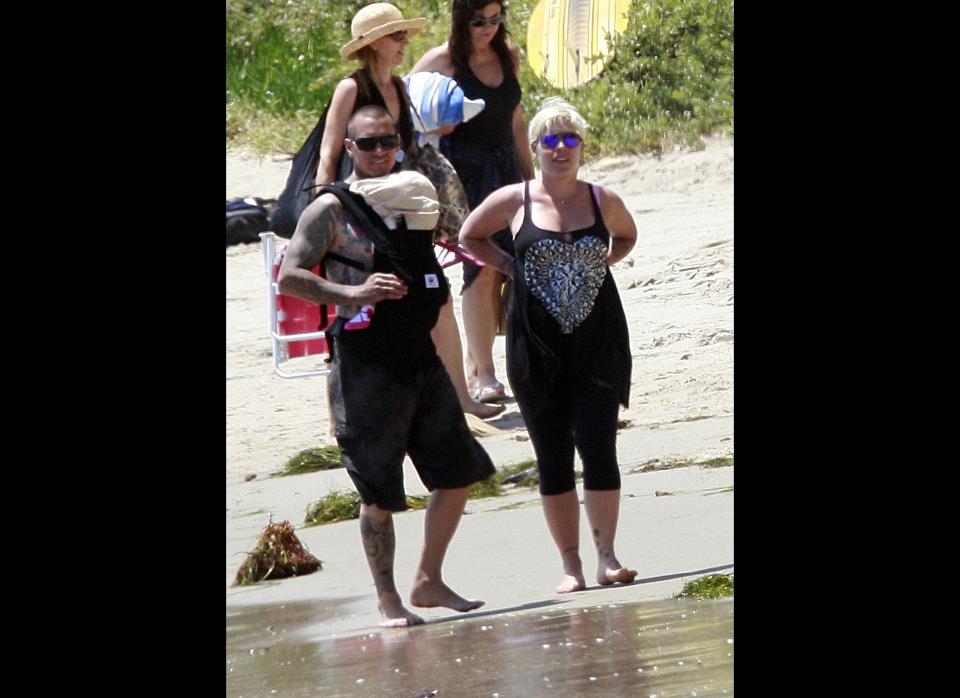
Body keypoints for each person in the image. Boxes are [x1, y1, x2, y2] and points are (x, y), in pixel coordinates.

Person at [279, 105, 495, 626]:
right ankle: (388, 599)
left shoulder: (415, 198)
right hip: (364, 367)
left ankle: (428, 580)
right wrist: (354, 290)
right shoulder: (330, 210)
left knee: (460, 473)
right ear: (349, 148)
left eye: (387, 142)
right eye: (367, 144)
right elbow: (289, 276)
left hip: (420, 360)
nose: (379, 152)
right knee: (379, 494)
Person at [279, 2, 503, 419]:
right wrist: (328, 216)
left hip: (398, 217)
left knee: (436, 298)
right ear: (374, 44)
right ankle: (340, 416)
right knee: (353, 312)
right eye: (397, 36)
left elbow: (410, 154)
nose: (405, 44)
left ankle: (461, 399)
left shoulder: (399, 87)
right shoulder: (351, 89)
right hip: (354, 218)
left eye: (404, 36)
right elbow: (330, 156)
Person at [459, 98, 638, 594]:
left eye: (570, 140)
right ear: (534, 148)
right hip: (534, 350)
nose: (561, 149)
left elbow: (625, 237)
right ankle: (571, 566)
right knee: (553, 456)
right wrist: (510, 266)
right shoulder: (515, 200)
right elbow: (471, 235)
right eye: (550, 141)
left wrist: (596, 264)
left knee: (599, 447)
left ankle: (607, 556)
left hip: (599, 344)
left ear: (582, 146)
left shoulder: (603, 199)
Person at [410, 0, 536, 404]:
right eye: (479, 20)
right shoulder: (442, 59)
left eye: (496, 19)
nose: (488, 28)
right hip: (463, 175)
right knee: (480, 268)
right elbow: (405, 109)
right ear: (461, 19)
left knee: (509, 268)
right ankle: (483, 372)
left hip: (505, 170)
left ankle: (486, 361)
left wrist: (530, 173)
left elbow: (515, 117)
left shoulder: (507, 54)